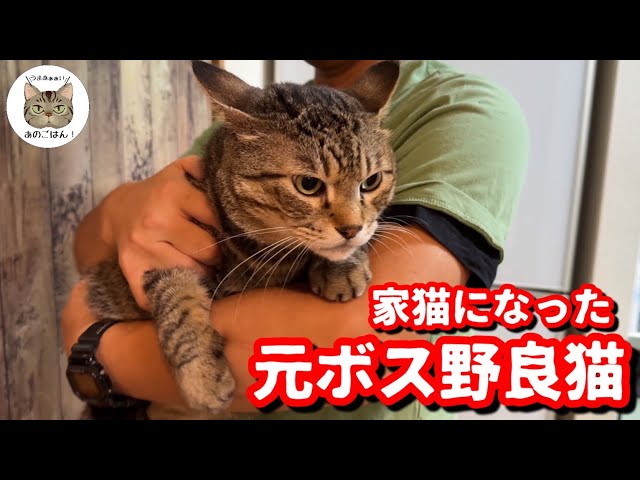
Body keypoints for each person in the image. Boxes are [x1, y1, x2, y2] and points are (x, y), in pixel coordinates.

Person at [62, 60, 529, 420]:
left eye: (370, 184)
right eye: (309, 185)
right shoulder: (259, 125)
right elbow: (93, 252)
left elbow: (360, 342)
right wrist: (121, 208)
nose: (352, 223)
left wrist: (97, 352)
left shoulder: (462, 108)